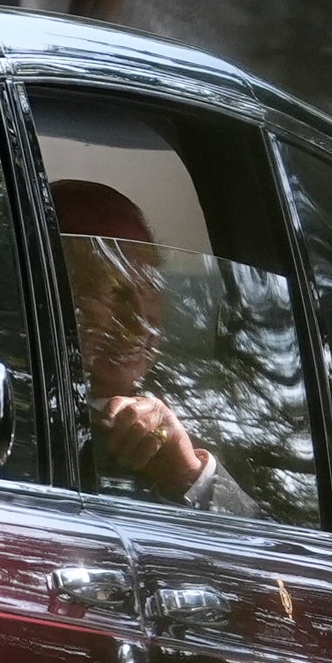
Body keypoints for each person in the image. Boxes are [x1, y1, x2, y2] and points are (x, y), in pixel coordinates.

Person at [50, 178, 257, 516]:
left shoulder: (223, 420)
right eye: (111, 289)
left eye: (149, 285)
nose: (138, 321)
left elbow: (264, 558)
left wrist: (188, 474)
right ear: (52, 294)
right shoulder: (1, 413)